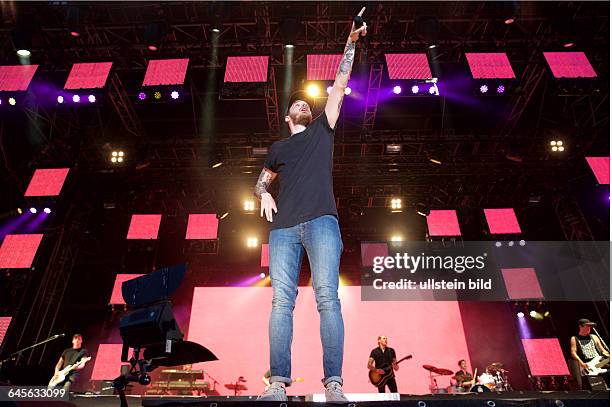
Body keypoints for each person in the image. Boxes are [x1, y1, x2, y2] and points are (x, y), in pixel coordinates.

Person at [255, 7, 367, 403]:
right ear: (288, 117)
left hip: (322, 222)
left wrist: (349, 45)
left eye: (306, 101)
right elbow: (260, 182)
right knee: (281, 301)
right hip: (284, 227)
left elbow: (339, 83)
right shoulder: (278, 148)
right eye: (297, 103)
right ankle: (277, 384)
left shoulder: (323, 127)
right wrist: (264, 192)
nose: (303, 103)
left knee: (326, 297)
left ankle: (333, 384)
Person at [570, 318, 610, 389]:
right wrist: (581, 363)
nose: (589, 328)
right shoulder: (574, 338)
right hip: (587, 365)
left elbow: (603, 351)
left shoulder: (594, 337)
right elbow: (573, 352)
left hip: (599, 363)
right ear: (580, 326)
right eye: (587, 326)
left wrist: (609, 355)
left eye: (590, 326)